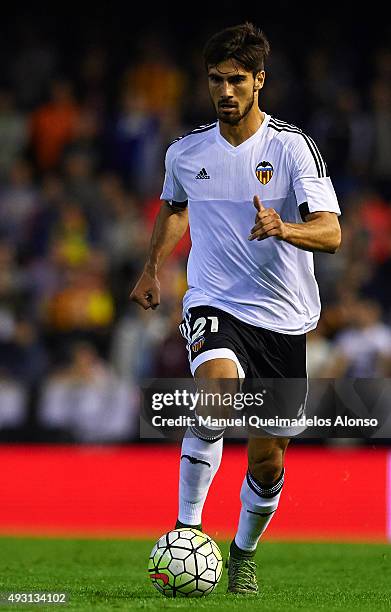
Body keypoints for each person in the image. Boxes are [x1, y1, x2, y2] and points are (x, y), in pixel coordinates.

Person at [130, 22, 341, 595]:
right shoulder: (186, 151)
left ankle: (242, 552)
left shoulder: (291, 147)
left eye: (237, 80)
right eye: (216, 80)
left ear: (259, 82)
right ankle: (186, 530)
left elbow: (331, 233)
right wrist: (152, 269)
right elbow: (174, 208)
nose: (225, 90)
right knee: (214, 399)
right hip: (214, 300)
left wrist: (284, 227)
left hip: (283, 316)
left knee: (268, 461)